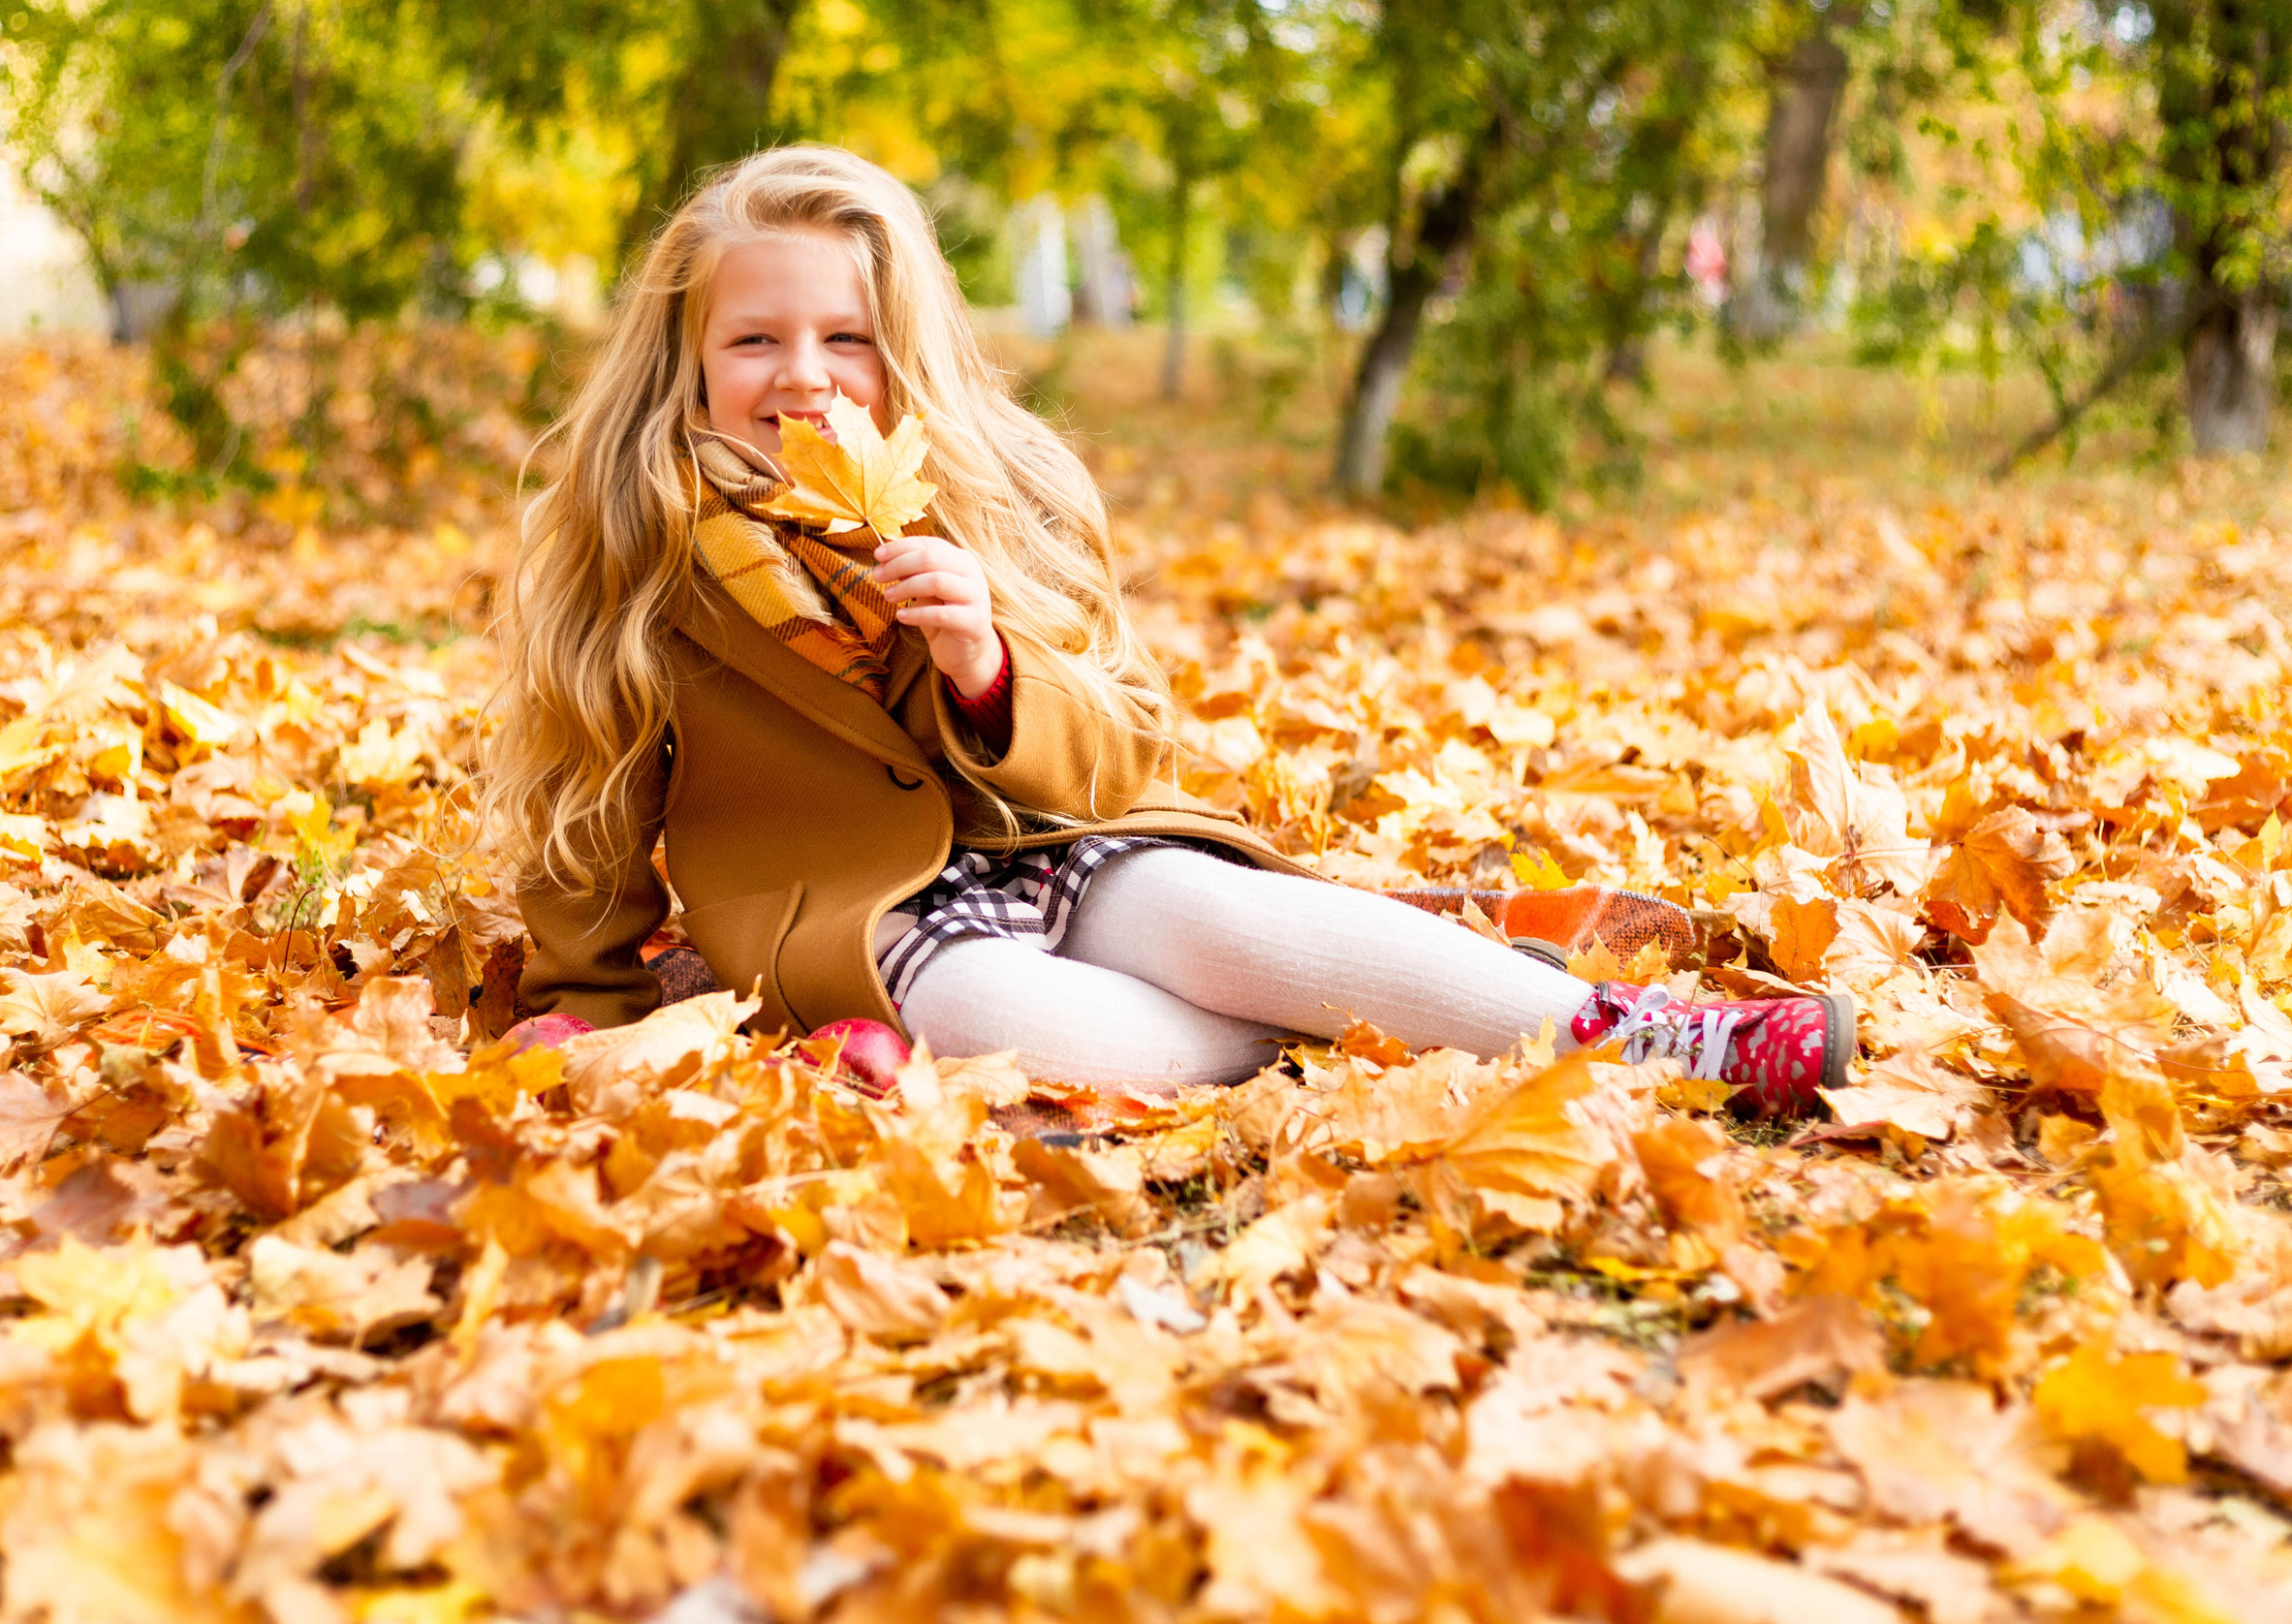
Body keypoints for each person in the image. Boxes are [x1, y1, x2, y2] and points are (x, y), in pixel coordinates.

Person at [481, 145, 1855, 1109]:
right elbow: (585, 793)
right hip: (853, 919)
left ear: (911, 346)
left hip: (1054, 838)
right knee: (1040, 1029)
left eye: (848, 338)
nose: (805, 377)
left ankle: (1672, 1040)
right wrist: (591, 1001)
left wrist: (987, 667)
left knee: (1217, 917)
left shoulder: (997, 491)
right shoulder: (636, 546)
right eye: (754, 342)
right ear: (690, 362)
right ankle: (1437, 1001)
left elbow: (1127, 746)